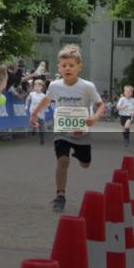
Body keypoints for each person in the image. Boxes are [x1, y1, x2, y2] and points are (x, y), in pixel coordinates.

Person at [29, 44, 104, 212]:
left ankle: (78, 154)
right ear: (59, 68)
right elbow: (47, 100)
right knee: (63, 160)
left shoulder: (87, 86)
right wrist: (34, 114)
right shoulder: (55, 86)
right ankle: (60, 196)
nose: (67, 68)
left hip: (81, 132)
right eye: (64, 65)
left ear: (79, 67)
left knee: (85, 164)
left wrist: (94, 118)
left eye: (71, 65)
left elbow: (100, 105)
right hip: (62, 130)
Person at [26, 79, 48, 145]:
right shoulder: (31, 94)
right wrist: (26, 105)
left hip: (41, 113)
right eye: (35, 86)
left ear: (42, 87)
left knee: (42, 127)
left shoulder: (44, 96)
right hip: (33, 112)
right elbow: (28, 100)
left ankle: (42, 139)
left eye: (38, 86)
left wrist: (44, 107)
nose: (37, 88)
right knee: (34, 122)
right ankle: (34, 129)